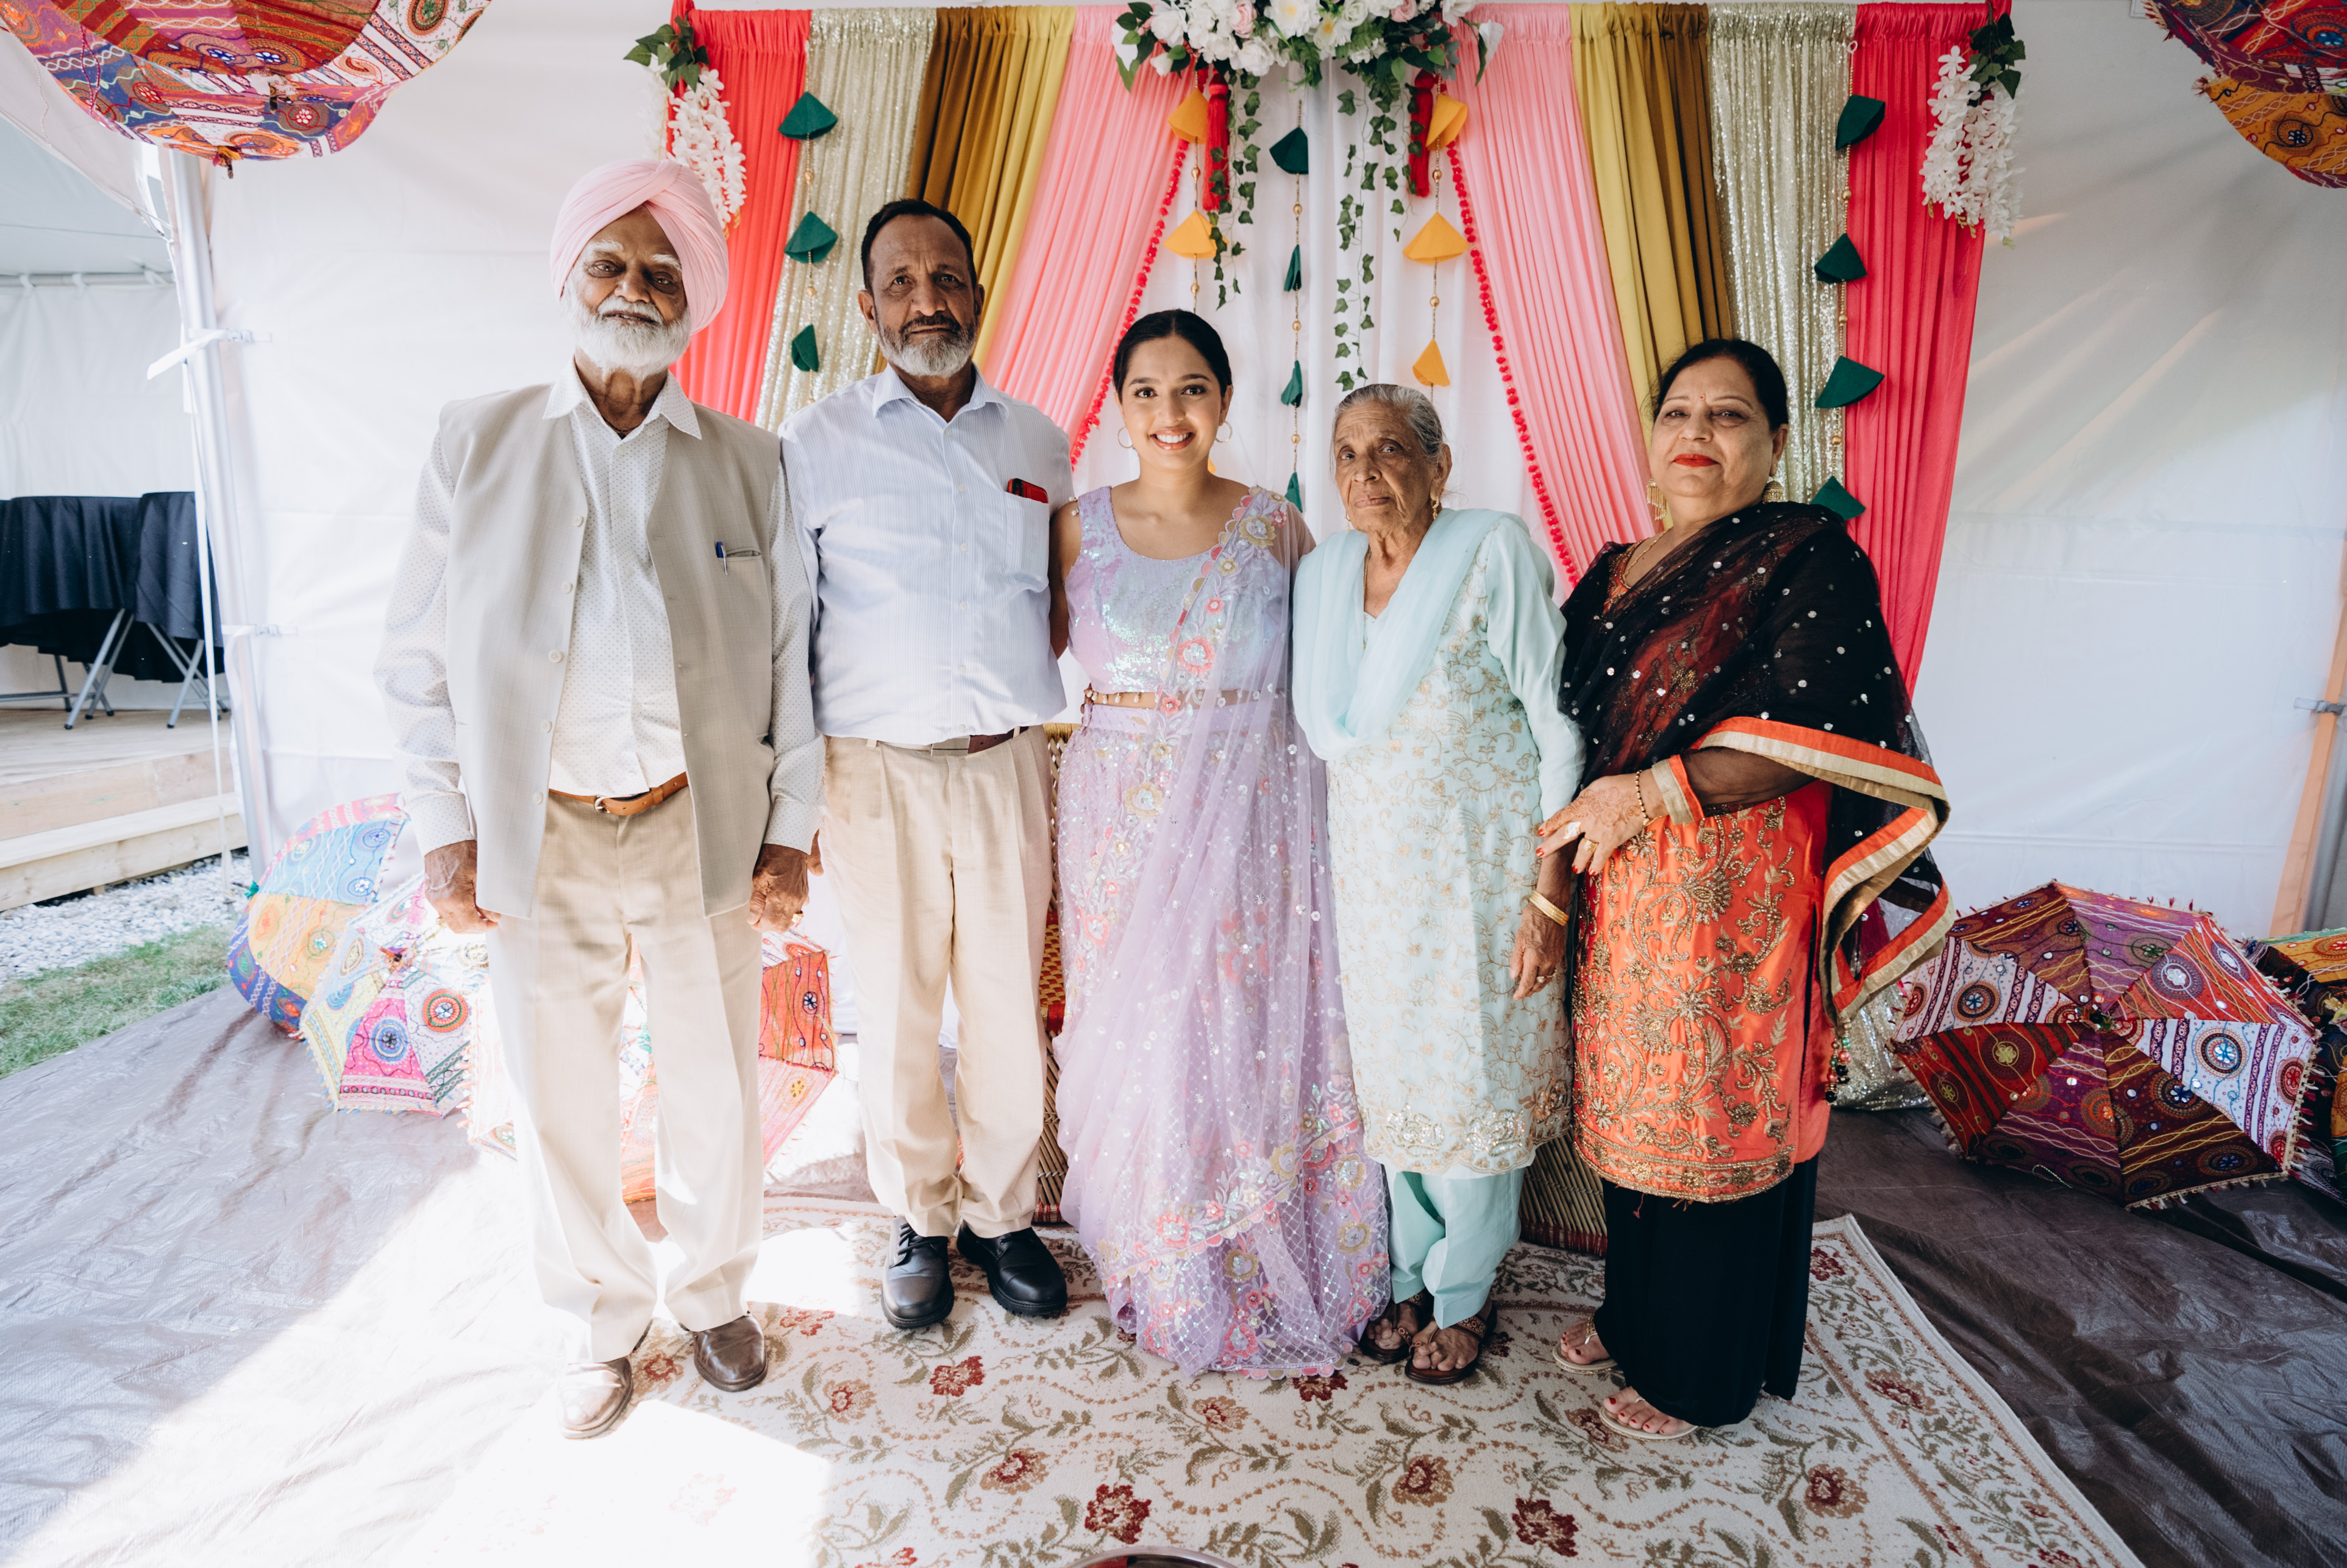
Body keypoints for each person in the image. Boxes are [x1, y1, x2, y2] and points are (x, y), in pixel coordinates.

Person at [376, 159, 821, 1439]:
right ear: (570, 278)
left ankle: (715, 1294)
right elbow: (413, 652)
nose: (634, 288)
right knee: (557, 1087)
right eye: (610, 264)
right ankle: (597, 1322)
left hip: (698, 814)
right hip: (543, 823)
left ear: (694, 298)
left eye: (661, 270)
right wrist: (445, 828)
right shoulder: (478, 439)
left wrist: (789, 829)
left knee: (712, 1079)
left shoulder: (751, 461)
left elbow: (791, 655)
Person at [1540, 338, 1950, 1442]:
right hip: (1621, 887)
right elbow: (1558, 715)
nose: (1696, 433)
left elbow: (1827, 730)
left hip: (1735, 895)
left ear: (1773, 445)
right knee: (1632, 1111)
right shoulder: (1614, 569)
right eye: (1678, 411)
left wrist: (1653, 791)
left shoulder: (1807, 554)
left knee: (1714, 1122)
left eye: (1727, 416)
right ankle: (1634, 1314)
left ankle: (1701, 1375)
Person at [1050, 311, 1386, 1377]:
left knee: (1242, 1022)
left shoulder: (1274, 528)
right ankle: (1168, 1258)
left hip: (1253, 818)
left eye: (1191, 388)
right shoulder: (1072, 529)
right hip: (1118, 815)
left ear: (1225, 401)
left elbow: (1331, 671)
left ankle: (1265, 1246)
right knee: (1150, 1031)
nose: (1170, 413)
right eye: (1146, 392)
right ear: (1117, 406)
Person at [783, 199, 1070, 1331]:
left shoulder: (1036, 442)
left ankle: (1002, 1217)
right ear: (867, 306)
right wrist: (792, 800)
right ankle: (918, 1216)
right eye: (900, 283)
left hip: (1005, 765)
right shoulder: (815, 444)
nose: (926, 301)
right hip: (875, 772)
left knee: (1004, 1008)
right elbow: (787, 628)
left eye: (945, 278)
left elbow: (1056, 604)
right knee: (898, 1007)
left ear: (977, 295)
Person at [1291, 385, 1584, 1386]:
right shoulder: (1324, 574)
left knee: (1470, 1083)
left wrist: (1548, 896)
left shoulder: (1491, 551)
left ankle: (1465, 1292)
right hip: (1374, 884)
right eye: (1346, 454)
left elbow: (1555, 725)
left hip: (1481, 878)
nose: (1365, 472)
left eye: (1389, 450)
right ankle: (1409, 1275)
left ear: (1438, 465)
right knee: (1400, 1086)